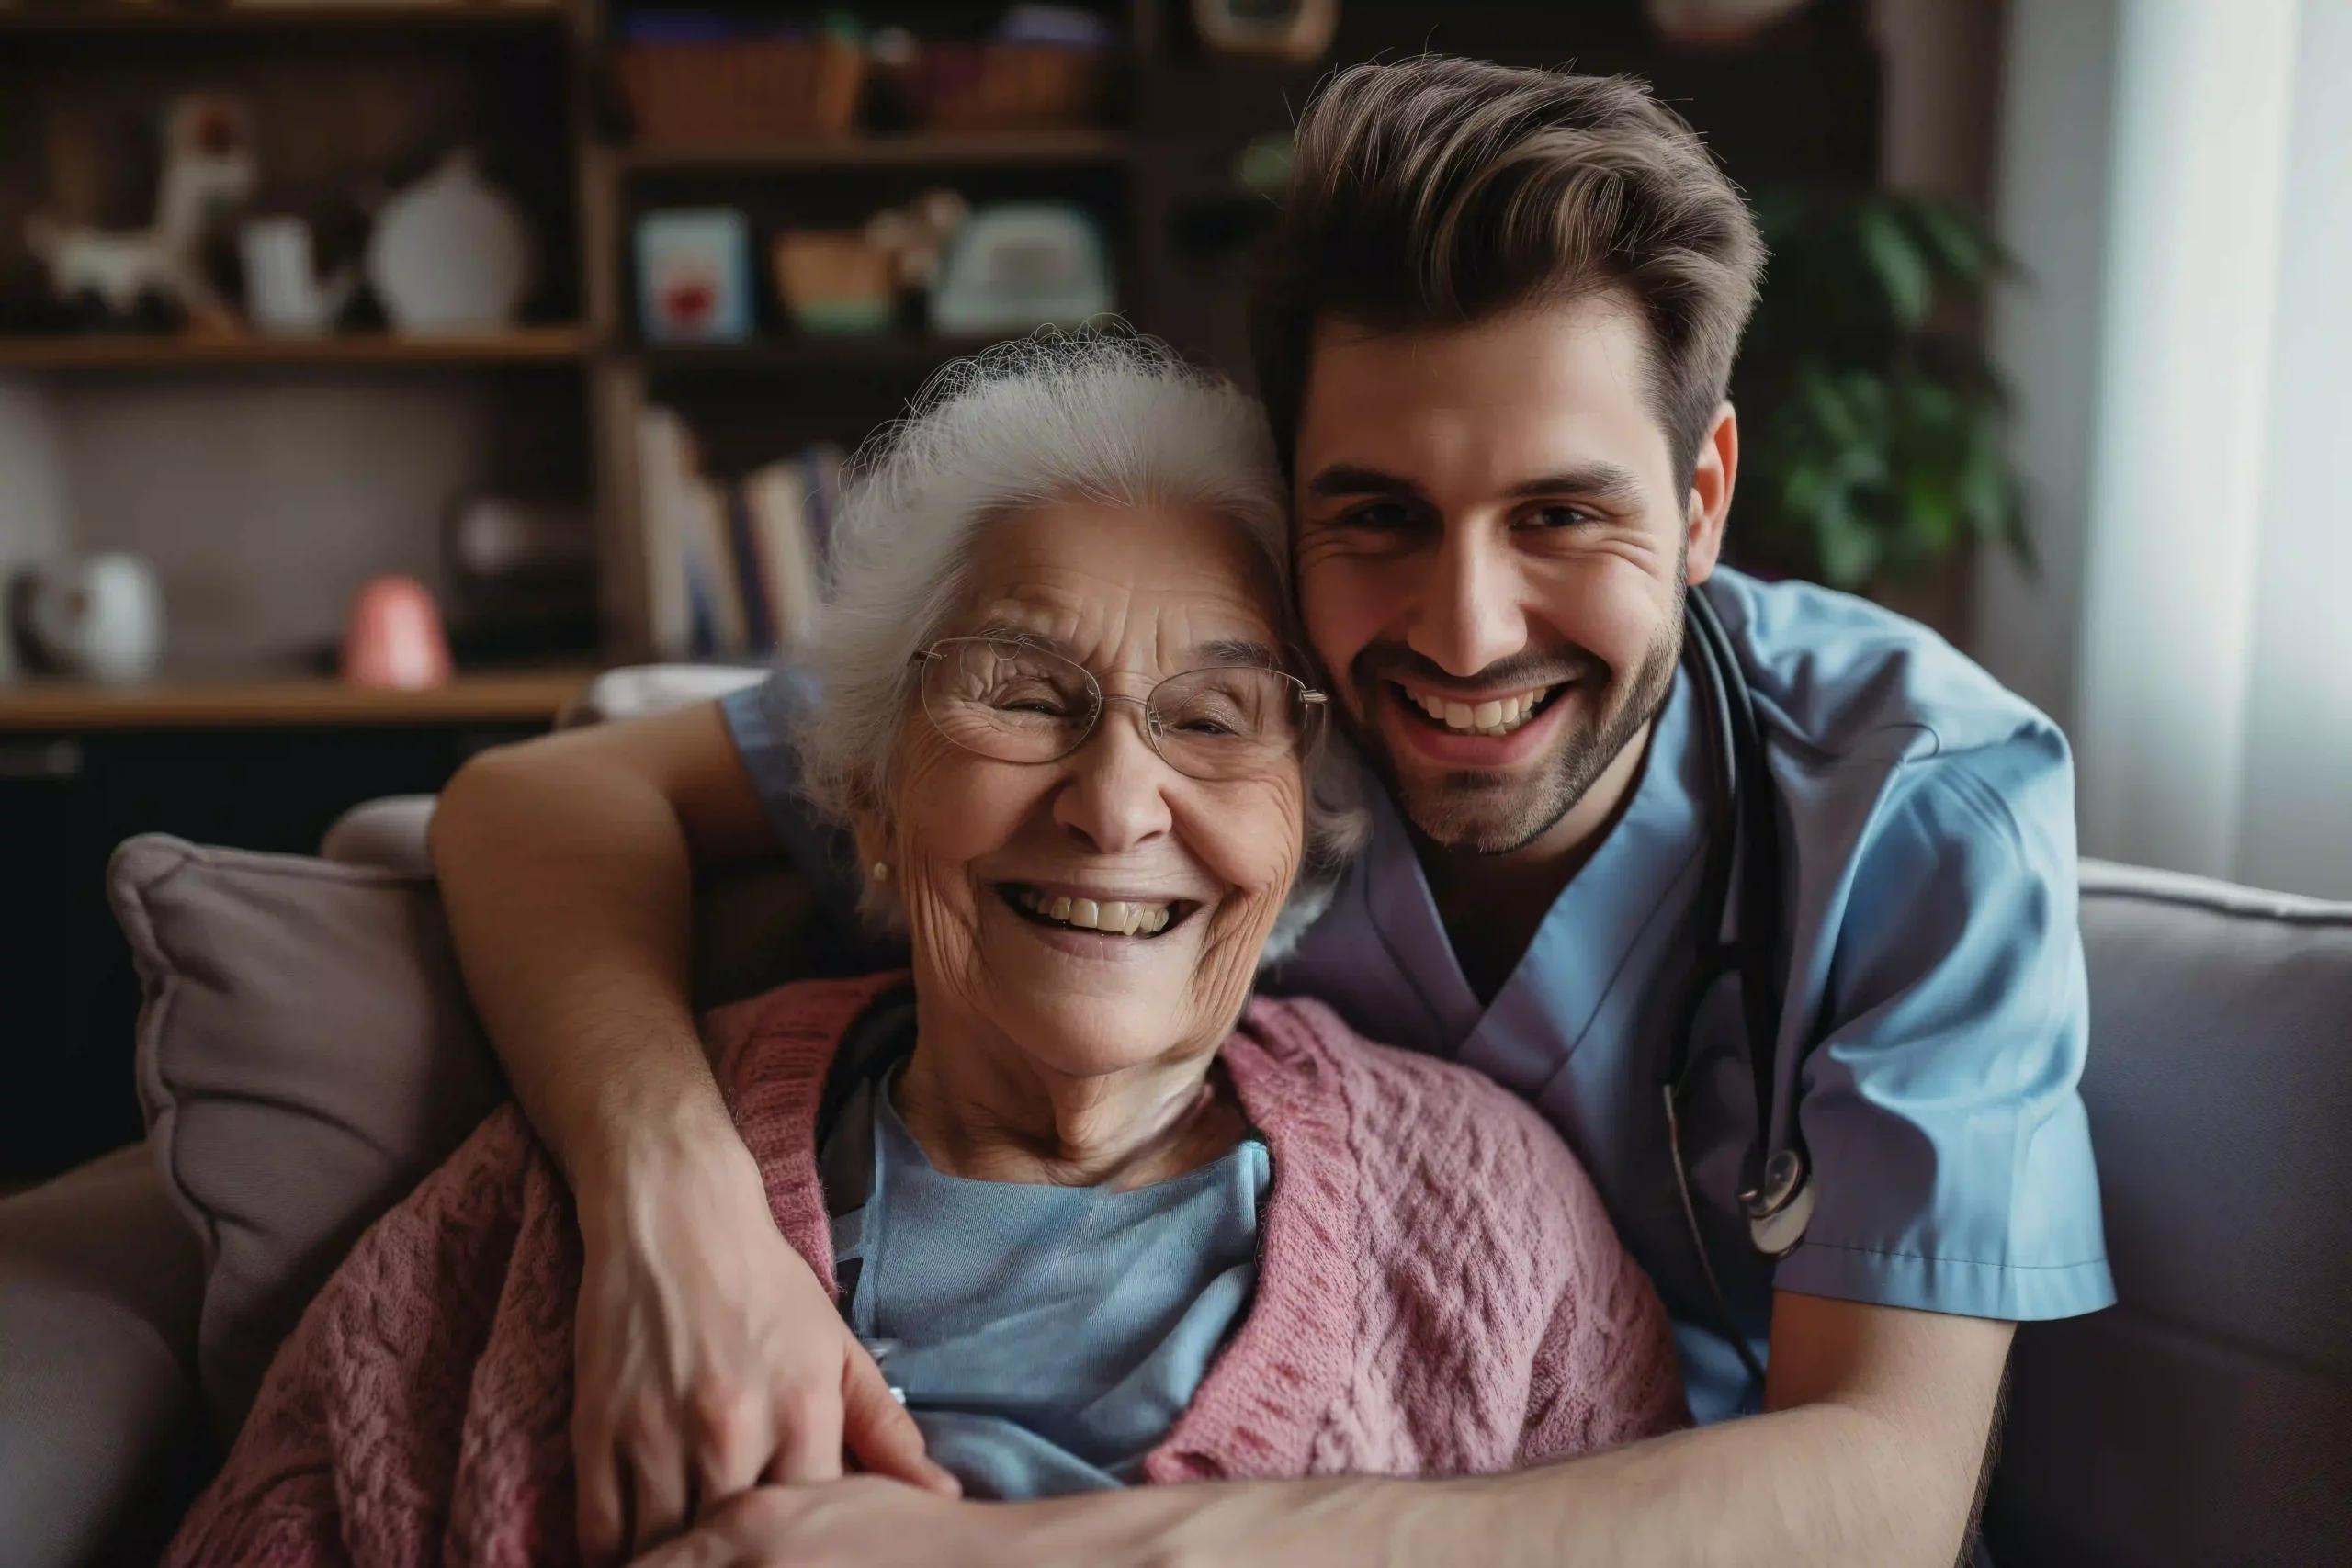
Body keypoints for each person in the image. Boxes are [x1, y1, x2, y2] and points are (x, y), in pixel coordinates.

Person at [431, 57, 2112, 1568]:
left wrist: (1069, 1555)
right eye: (1377, 511)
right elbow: (538, 807)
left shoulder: (1923, 807)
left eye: (1560, 517)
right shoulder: (1221, 704)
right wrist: (677, 1205)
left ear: (1701, 500)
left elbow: (1885, 1494)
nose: (1461, 633)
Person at [166, 343, 1684, 1568]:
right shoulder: (566, 1192)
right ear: (872, 802)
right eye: (1025, 694)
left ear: (1306, 828)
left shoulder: (1487, 1219)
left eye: (1216, 719)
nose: (1111, 805)